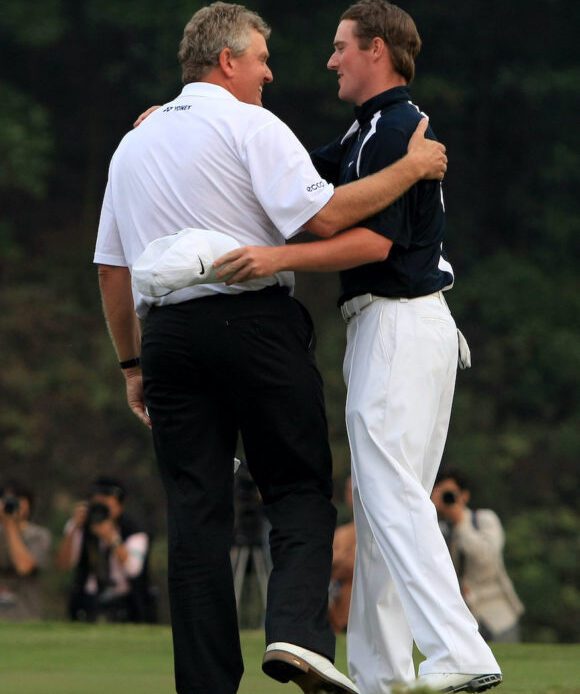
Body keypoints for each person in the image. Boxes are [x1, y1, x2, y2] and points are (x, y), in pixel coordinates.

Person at [93, 3, 446, 693]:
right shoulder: (253, 125)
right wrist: (412, 168)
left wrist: (132, 364)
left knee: (195, 512)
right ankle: (296, 636)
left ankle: (204, 683)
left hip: (165, 337)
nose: (270, 72)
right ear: (228, 60)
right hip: (254, 325)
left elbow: (112, 269)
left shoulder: (133, 144)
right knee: (298, 488)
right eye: (260, 59)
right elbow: (327, 216)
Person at [213, 2, 502, 692]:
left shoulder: (394, 128)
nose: (330, 59)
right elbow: (285, 178)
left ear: (376, 49)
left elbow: (376, 241)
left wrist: (271, 257)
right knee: (381, 504)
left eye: (341, 47)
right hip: (410, 326)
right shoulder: (371, 131)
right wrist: (176, 126)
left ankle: (460, 650)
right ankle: (379, 674)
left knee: (388, 492)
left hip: (399, 321)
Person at [432, 468, 524, 644]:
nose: (446, 500)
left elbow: (487, 557)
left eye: (450, 494)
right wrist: (427, 511)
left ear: (464, 496)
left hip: (495, 617)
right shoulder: (432, 527)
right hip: (454, 620)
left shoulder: (483, 520)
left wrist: (460, 523)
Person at [56, 476, 155, 623]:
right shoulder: (80, 526)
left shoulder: (133, 530)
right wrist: (74, 529)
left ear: (120, 505)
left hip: (124, 601)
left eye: (106, 503)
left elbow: (134, 569)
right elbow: (63, 564)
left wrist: (112, 538)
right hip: (88, 599)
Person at [0, 481, 52, 621]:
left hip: (25, 614)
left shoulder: (38, 535)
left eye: (19, 500)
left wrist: (9, 525)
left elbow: (24, 567)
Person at [328, 477, 356, 634]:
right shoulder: (341, 533)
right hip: (340, 601)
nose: (351, 495)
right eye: (349, 490)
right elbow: (331, 565)